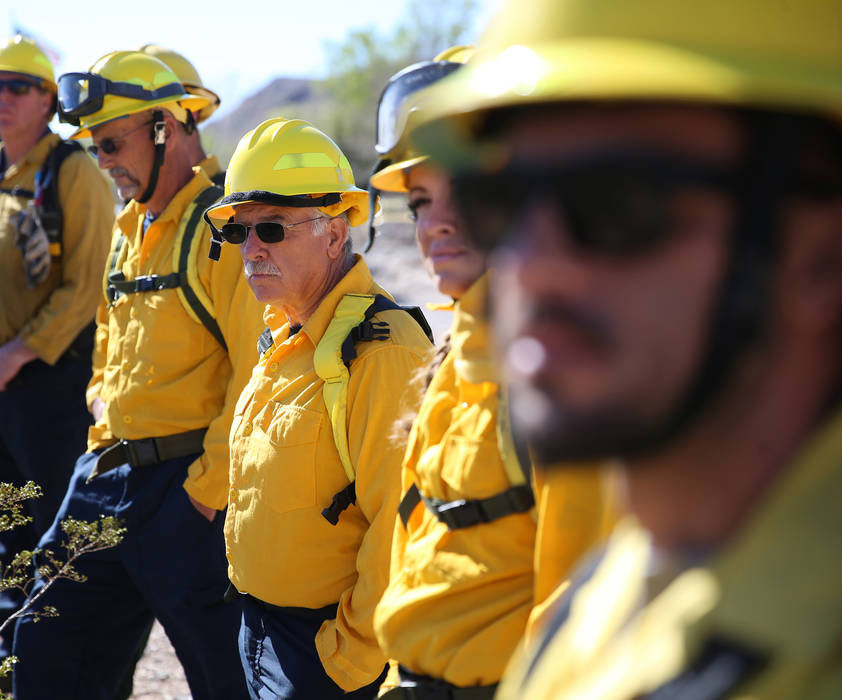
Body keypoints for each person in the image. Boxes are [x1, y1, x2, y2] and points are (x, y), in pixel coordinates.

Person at [412, 0, 842, 697]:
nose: (528, 263)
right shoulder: (613, 593)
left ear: (822, 256)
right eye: (499, 202)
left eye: (614, 203)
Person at [368, 48, 618, 699]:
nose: (437, 223)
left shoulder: (557, 370)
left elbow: (576, 614)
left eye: (468, 192)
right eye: (420, 200)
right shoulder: (456, 356)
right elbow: (419, 544)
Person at [11, 50, 261, 699]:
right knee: (47, 652)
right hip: (104, 479)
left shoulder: (223, 232)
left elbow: (256, 375)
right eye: (96, 147)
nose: (104, 162)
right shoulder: (129, 225)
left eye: (113, 143)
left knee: (227, 679)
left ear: (165, 129)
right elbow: (106, 342)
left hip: (186, 494)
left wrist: (204, 494)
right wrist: (100, 418)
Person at [203, 117, 433, 699]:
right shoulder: (283, 335)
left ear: (334, 235)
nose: (251, 250)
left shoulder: (383, 352)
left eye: (272, 230)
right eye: (240, 233)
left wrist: (346, 662)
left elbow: (400, 526)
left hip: (325, 656)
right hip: (260, 632)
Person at [0, 34, 114, 670]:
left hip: (47, 386)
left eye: (18, 87)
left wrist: (21, 351)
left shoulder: (74, 172)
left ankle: (65, 666)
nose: (2, 99)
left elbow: (86, 286)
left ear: (48, 100)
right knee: (8, 536)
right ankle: (14, 664)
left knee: (54, 536)